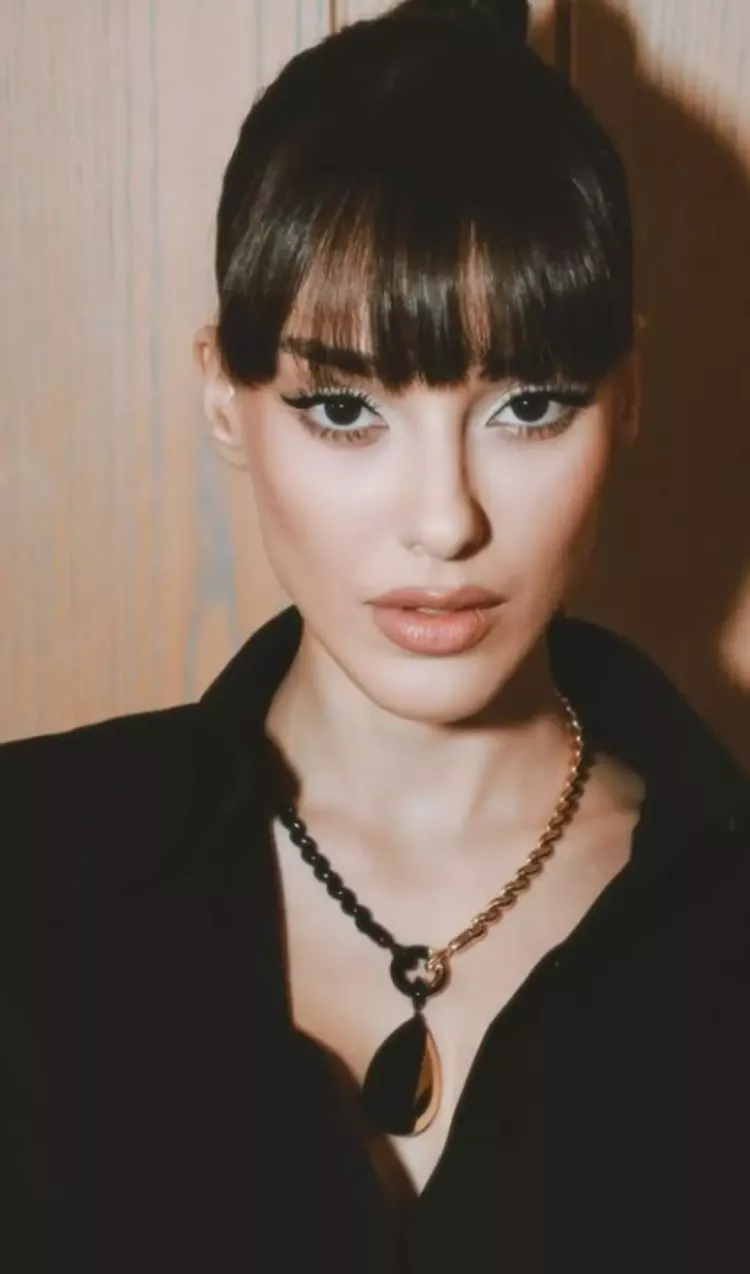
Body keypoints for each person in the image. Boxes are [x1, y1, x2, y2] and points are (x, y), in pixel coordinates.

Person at [1, 0, 748, 1269]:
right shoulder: (27, 870)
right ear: (225, 400)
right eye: (346, 408)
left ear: (626, 396)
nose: (444, 519)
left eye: (528, 403)